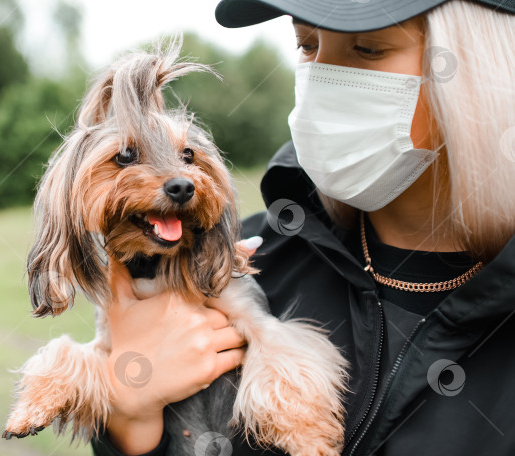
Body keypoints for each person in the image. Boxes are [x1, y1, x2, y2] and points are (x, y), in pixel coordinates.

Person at [90, 0, 515, 455]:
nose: (321, 80)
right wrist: (129, 420)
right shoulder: (232, 265)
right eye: (306, 44)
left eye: (368, 48)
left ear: (480, 68)